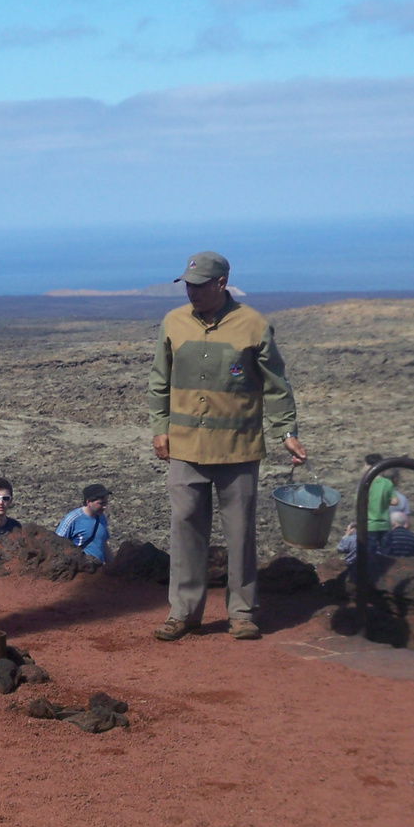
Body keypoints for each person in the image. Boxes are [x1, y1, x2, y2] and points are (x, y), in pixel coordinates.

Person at [148, 251, 306, 642]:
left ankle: (242, 612)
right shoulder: (173, 322)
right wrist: (159, 428)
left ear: (222, 283)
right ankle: (183, 612)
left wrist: (287, 432)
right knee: (185, 529)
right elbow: (159, 380)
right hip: (185, 447)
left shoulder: (252, 325)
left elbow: (276, 385)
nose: (192, 292)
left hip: (238, 449)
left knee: (240, 534)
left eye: (200, 285)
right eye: (188, 284)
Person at [55, 484, 111, 563]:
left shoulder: (101, 518)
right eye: (101, 504)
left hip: (98, 571)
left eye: (106, 503)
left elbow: (103, 545)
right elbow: (56, 545)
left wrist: (113, 566)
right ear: (88, 502)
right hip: (81, 572)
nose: (105, 507)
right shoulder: (72, 519)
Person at [363, 456, 397, 556]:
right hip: (385, 523)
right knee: (385, 553)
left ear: (369, 466)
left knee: (370, 554)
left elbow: (359, 500)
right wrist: (385, 501)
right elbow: (395, 501)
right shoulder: (387, 483)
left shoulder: (365, 482)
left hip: (370, 524)